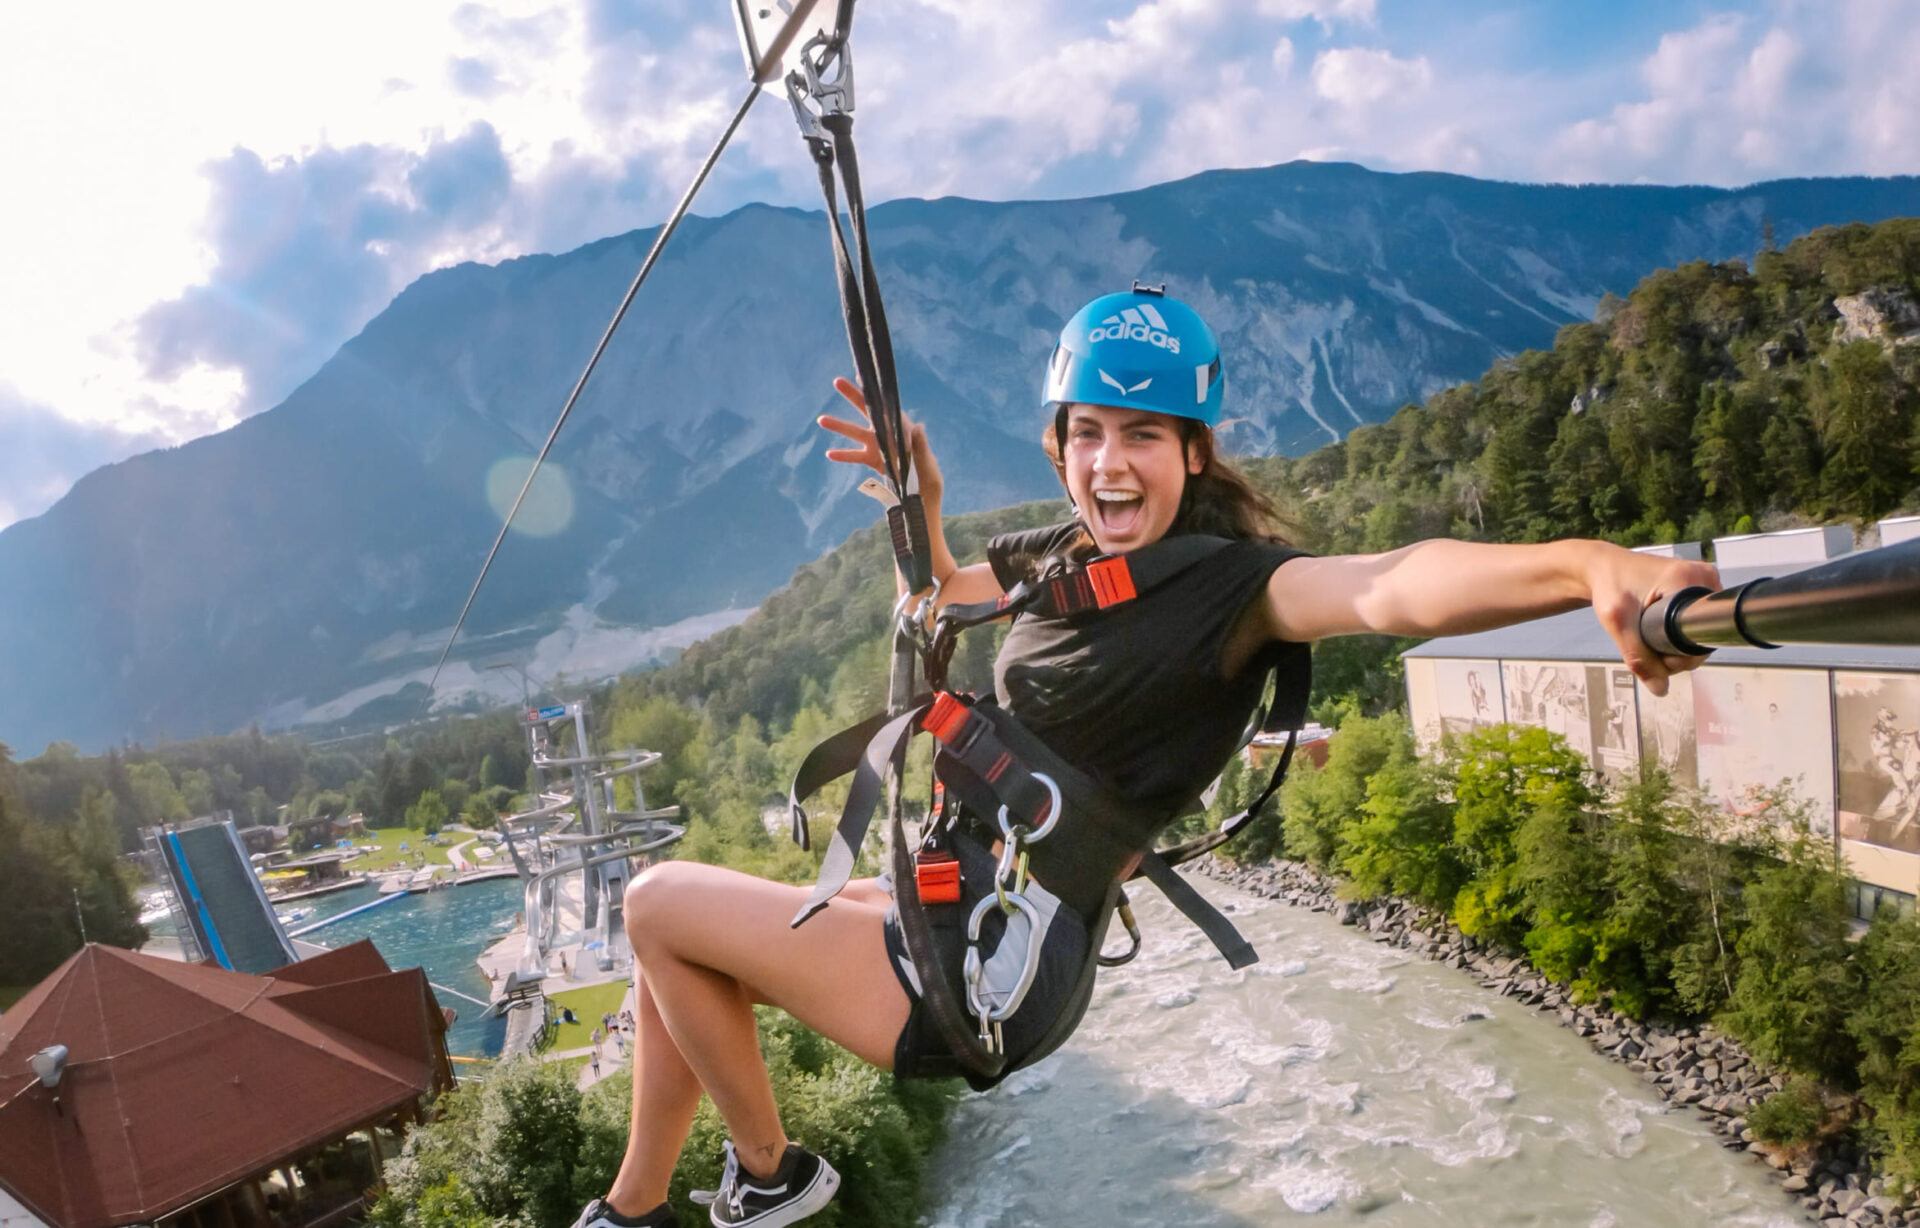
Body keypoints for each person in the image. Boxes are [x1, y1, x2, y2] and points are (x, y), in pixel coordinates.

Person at [570, 287, 1718, 1228]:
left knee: (661, 898)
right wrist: (921, 500)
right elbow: (934, 596)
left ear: (1192, 451)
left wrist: (1585, 563)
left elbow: (1392, 581)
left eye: (1143, 437)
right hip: (962, 908)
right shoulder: (1069, 559)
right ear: (1060, 444)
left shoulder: (1237, 587)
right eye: (1088, 434)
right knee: (671, 959)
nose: (1110, 464)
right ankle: (639, 1204)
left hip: (995, 966)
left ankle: (769, 1178)